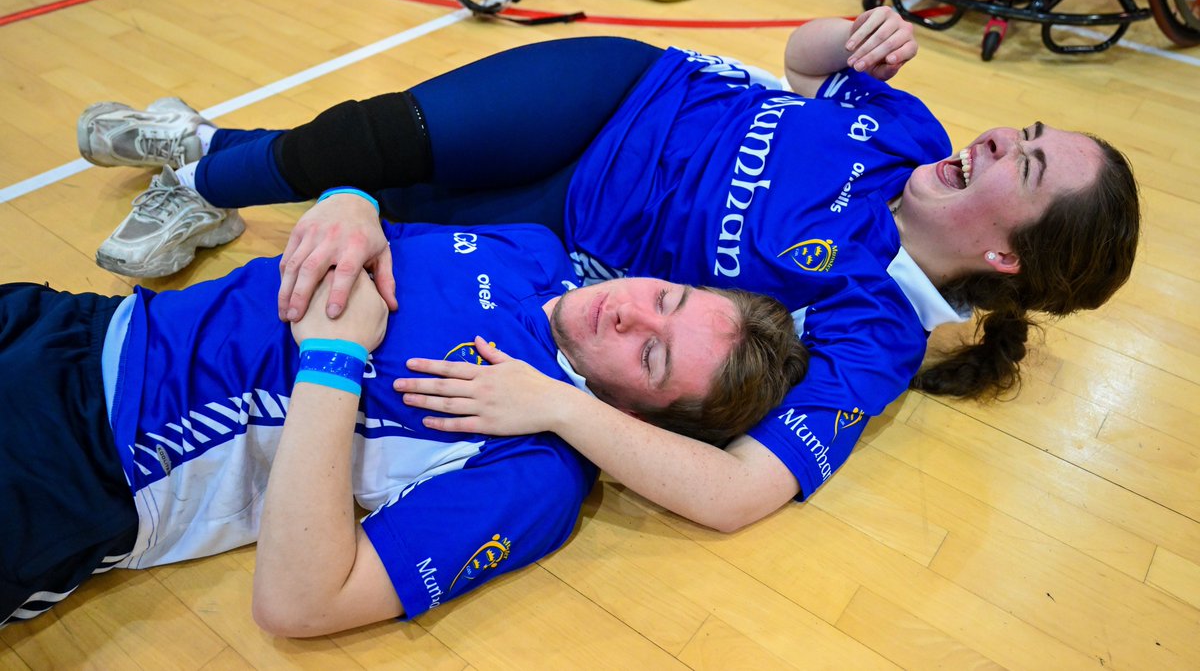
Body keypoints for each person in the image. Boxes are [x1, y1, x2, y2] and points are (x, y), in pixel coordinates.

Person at [76, 6, 1140, 533]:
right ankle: (210, 178)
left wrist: (558, 409)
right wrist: (850, 34)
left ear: (1005, 253)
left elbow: (737, 493)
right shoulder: (908, 126)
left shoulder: (876, 333)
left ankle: (199, 143)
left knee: (383, 208)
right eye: (1025, 128)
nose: (1000, 136)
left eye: (1027, 162)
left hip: (571, 223)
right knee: (379, 140)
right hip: (616, 90)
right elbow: (802, 68)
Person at [0, 190, 806, 635]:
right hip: (80, 321)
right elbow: (373, 229)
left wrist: (333, 361)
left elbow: (300, 604)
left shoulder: (533, 471)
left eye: (652, 357)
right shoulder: (533, 248)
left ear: (641, 416)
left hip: (90, 457)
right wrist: (349, 201)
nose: (633, 316)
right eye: (666, 297)